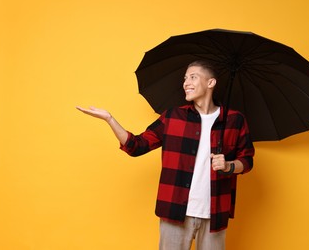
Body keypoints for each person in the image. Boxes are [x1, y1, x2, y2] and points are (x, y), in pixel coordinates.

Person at [76, 60, 255, 250]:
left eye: (193, 77)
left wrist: (229, 166)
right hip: (174, 211)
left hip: (215, 213)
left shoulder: (234, 120)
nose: (186, 83)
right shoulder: (172, 117)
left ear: (211, 82)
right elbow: (137, 146)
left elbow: (247, 160)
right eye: (185, 78)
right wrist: (109, 119)